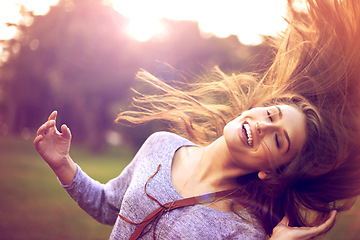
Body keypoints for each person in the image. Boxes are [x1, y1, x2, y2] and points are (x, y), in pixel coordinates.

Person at [34, 0, 360, 239]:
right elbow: (108, 206)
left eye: (278, 139)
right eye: (271, 114)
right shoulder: (160, 144)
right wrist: (63, 164)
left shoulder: (243, 229)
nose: (264, 125)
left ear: (272, 171)